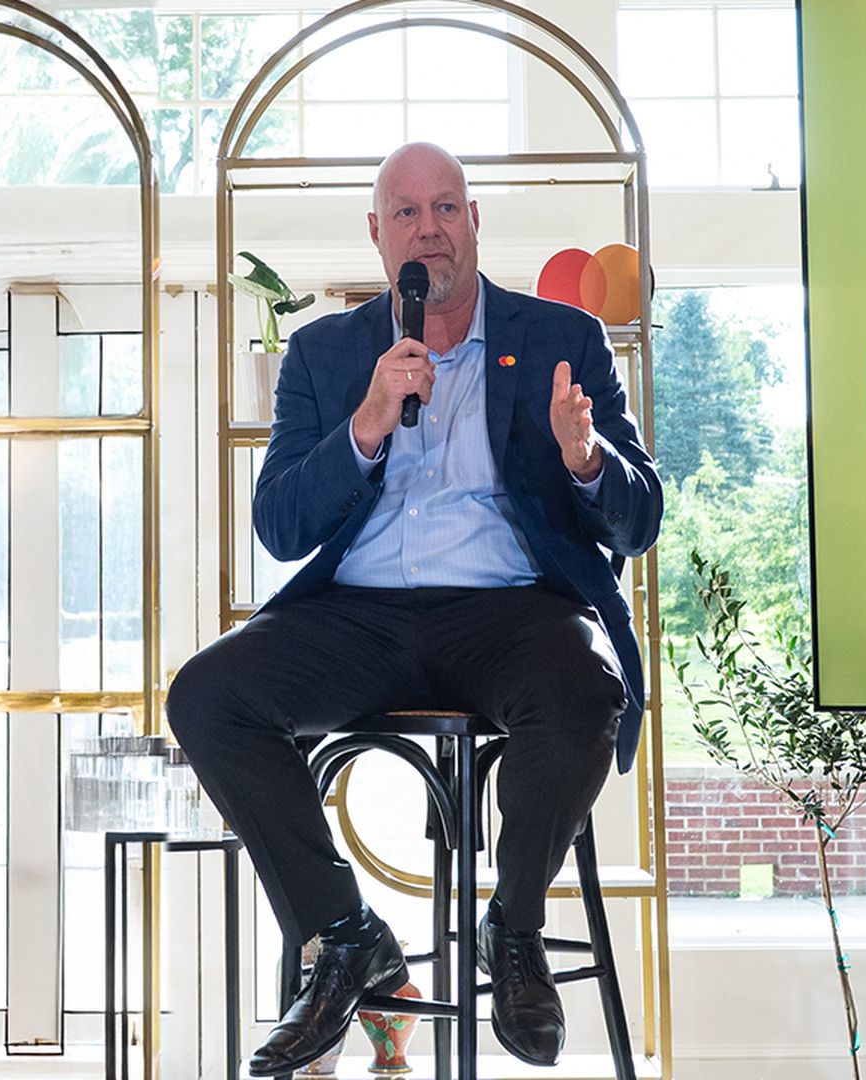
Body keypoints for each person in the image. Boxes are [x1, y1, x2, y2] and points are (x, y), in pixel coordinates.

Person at [166, 142, 663, 1076]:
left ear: (475, 222)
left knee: (582, 690)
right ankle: (346, 936)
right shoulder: (325, 352)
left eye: (446, 208)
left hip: (511, 610)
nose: (428, 227)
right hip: (357, 615)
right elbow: (279, 523)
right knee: (206, 695)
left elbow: (640, 521)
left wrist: (586, 458)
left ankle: (511, 933)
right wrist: (361, 425)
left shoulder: (564, 339)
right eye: (407, 212)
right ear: (378, 233)